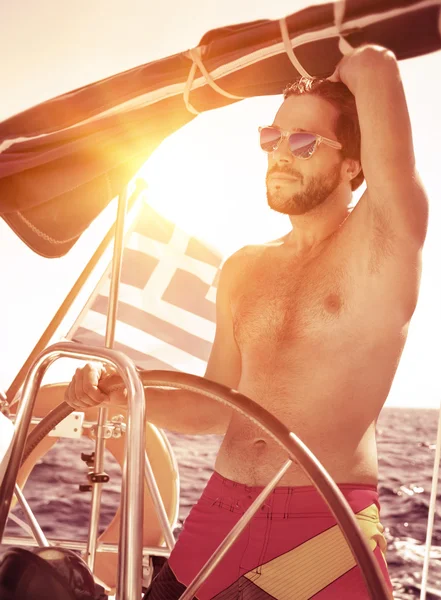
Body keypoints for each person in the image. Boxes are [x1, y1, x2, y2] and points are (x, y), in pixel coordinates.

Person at [66, 45, 428, 599]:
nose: (281, 153)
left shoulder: (383, 243)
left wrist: (318, 72)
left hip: (325, 522)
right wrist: (122, 392)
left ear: (353, 164)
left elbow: (376, 63)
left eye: (304, 141)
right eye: (272, 138)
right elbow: (213, 404)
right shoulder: (244, 268)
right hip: (219, 510)